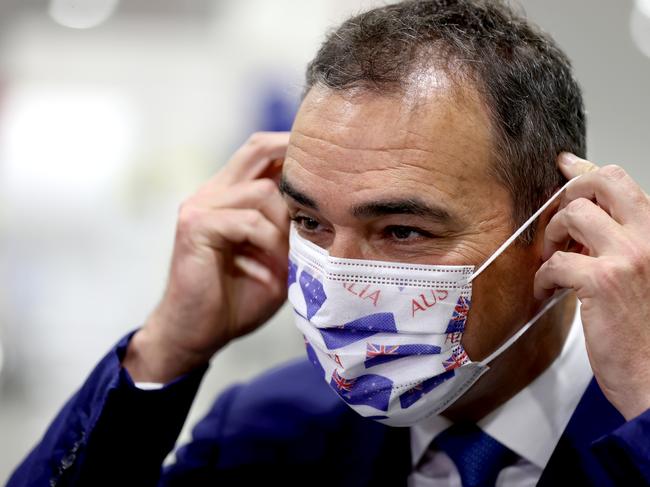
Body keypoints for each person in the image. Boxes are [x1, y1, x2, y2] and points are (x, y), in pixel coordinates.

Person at [8, 1, 650, 486]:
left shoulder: (637, 419)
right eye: (310, 222)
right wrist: (166, 347)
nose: (338, 283)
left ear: (560, 227)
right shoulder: (267, 427)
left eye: (403, 231)